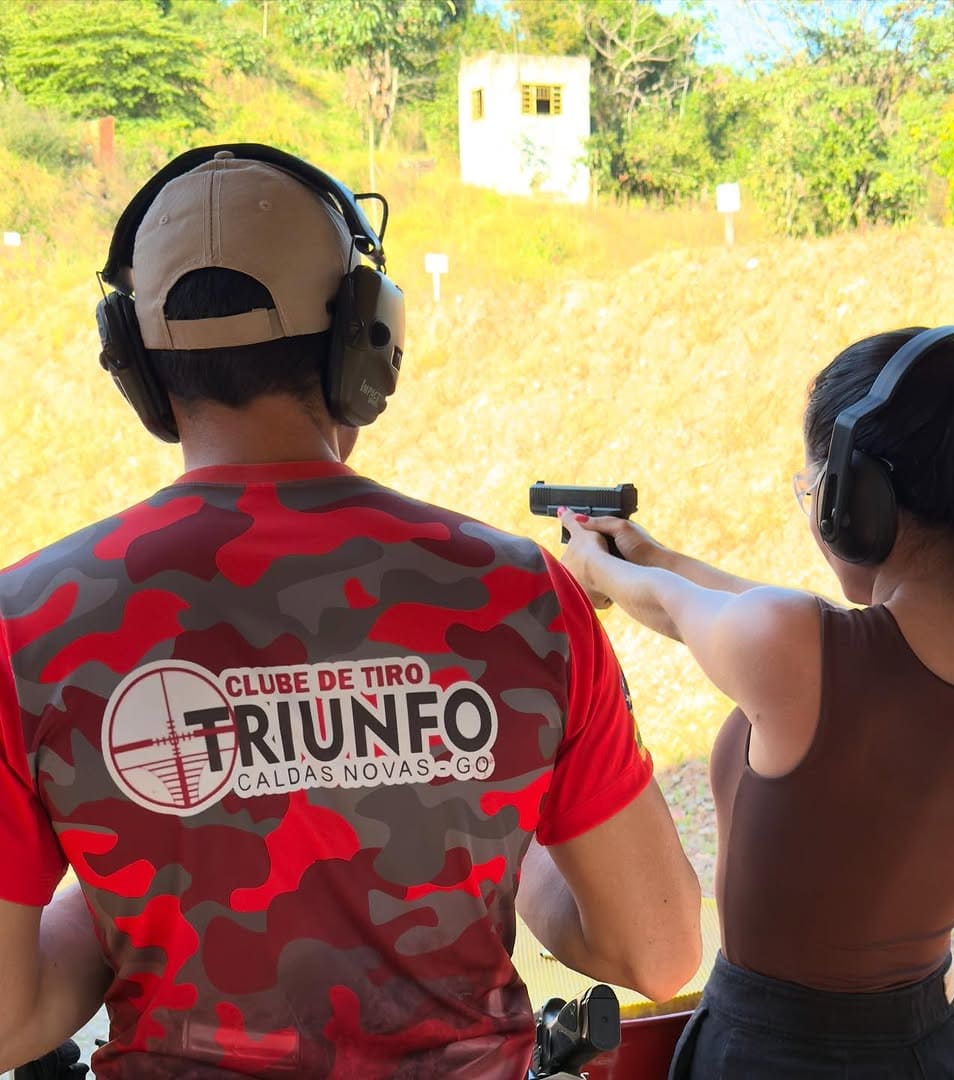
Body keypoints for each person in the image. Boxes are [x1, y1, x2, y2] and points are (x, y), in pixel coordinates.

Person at [0, 144, 701, 1079]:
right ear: (364, 347)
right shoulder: (525, 596)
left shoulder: (24, 623)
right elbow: (657, 953)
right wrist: (506, 833)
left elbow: (10, 1018)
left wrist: (133, 874)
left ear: (134, 364)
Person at [552, 326, 954, 1079]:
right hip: (937, 1053)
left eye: (815, 488)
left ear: (853, 501)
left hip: (772, 1057)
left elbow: (687, 612)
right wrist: (651, 556)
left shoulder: (797, 651)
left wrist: (597, 568)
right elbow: (775, 624)